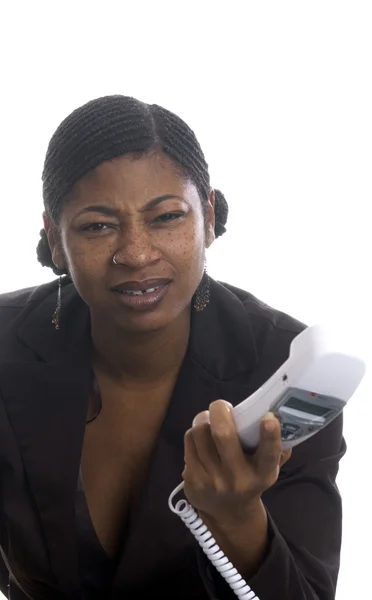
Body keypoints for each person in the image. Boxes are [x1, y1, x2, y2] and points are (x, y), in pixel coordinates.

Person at [0, 95, 345, 600]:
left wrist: (239, 520)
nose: (136, 253)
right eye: (97, 225)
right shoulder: (7, 347)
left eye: (166, 217)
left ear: (207, 215)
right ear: (55, 239)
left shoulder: (285, 366)